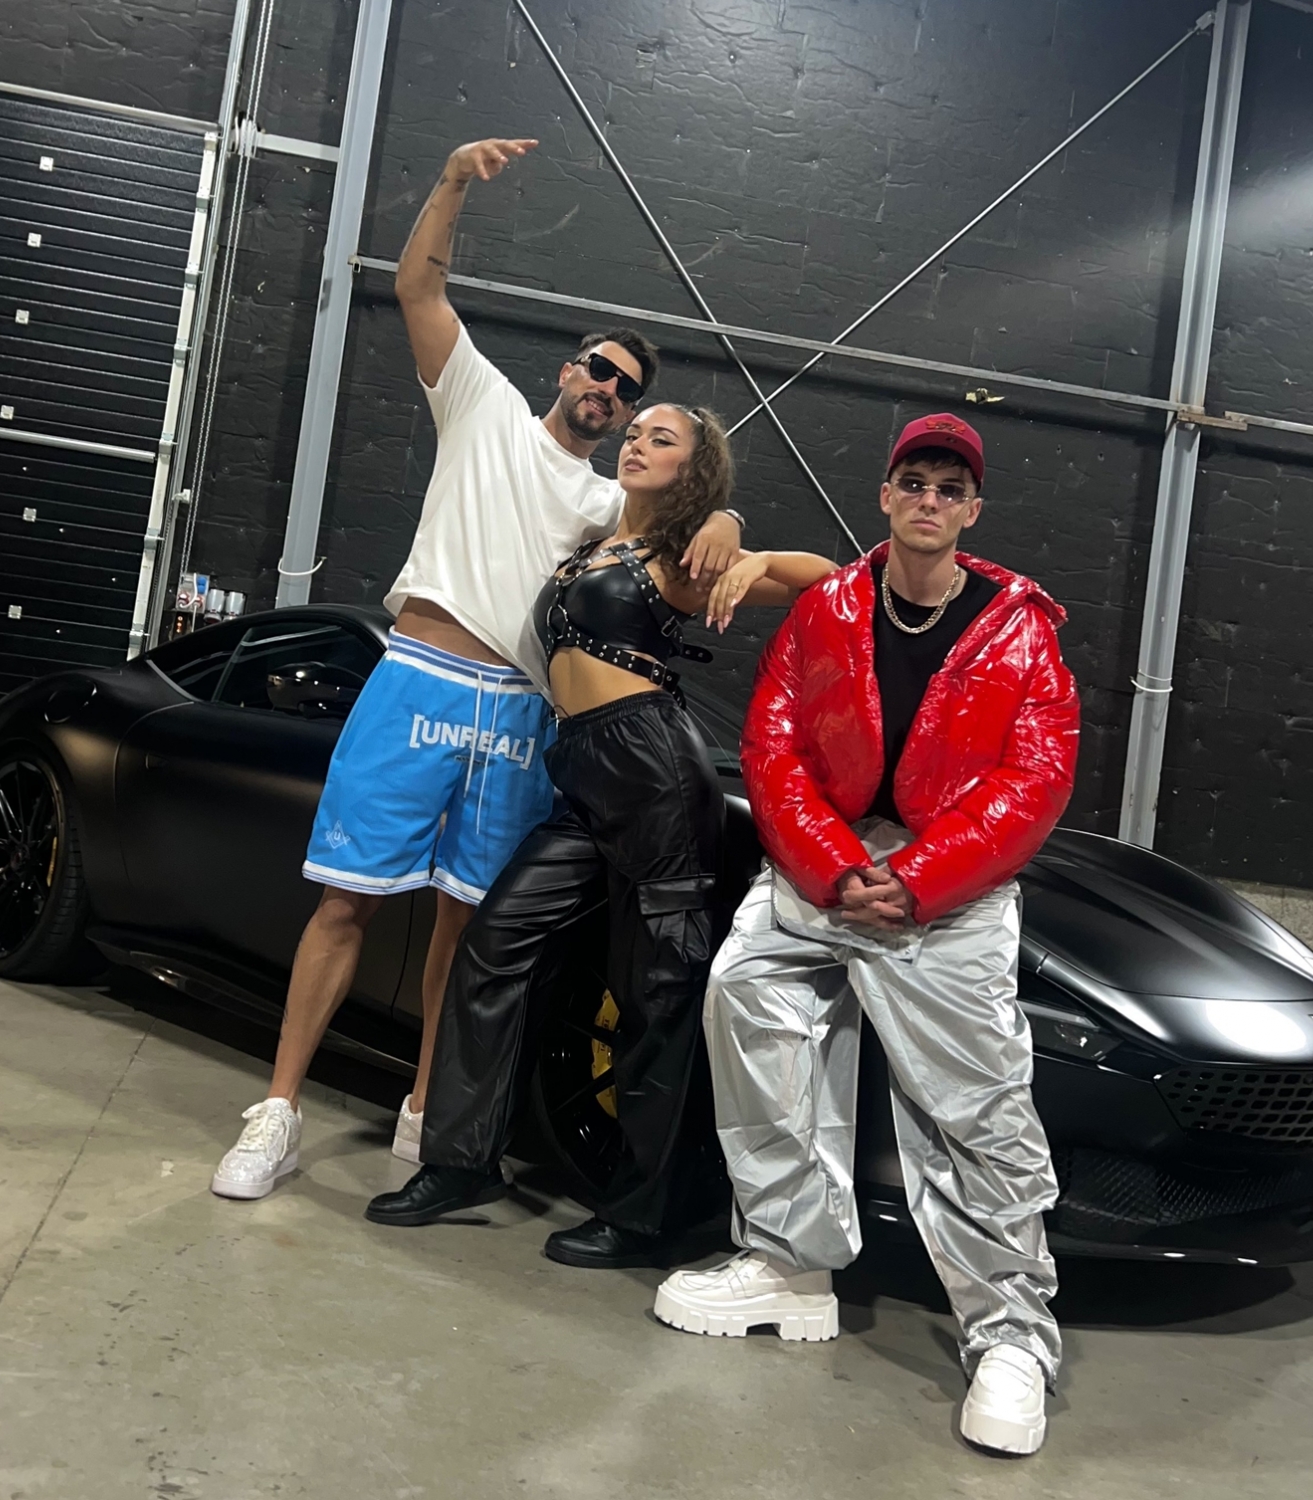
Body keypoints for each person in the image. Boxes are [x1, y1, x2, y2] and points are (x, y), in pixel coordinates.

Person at [210, 137, 742, 1200]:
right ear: (567, 371)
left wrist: (724, 514)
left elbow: (692, 527)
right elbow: (416, 288)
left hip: (518, 716)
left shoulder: (614, 504)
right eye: (599, 370)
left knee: (467, 927)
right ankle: (276, 1112)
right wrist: (452, 181)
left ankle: (428, 1113)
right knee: (345, 906)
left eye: (629, 391)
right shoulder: (481, 403)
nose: (609, 392)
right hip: (418, 677)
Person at [652, 414, 1080, 1457]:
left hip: (948, 884)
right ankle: (789, 1263)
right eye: (913, 482)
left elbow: (1036, 776)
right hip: (829, 867)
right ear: (884, 497)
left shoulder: (1019, 629)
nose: (929, 499)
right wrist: (834, 865)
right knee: (749, 995)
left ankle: (1009, 1333)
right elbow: (774, 744)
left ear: (971, 510)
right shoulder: (829, 607)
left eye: (949, 488)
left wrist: (920, 877)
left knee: (974, 1102)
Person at [362, 403, 839, 1269]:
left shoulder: (683, 555)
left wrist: (741, 539)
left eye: (662, 439)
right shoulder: (594, 543)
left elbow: (825, 579)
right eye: (635, 432)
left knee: (656, 989)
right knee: (493, 946)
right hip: (580, 770)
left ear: (693, 467)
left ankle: (643, 1214)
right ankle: (462, 1161)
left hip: (653, 772)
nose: (637, 444)